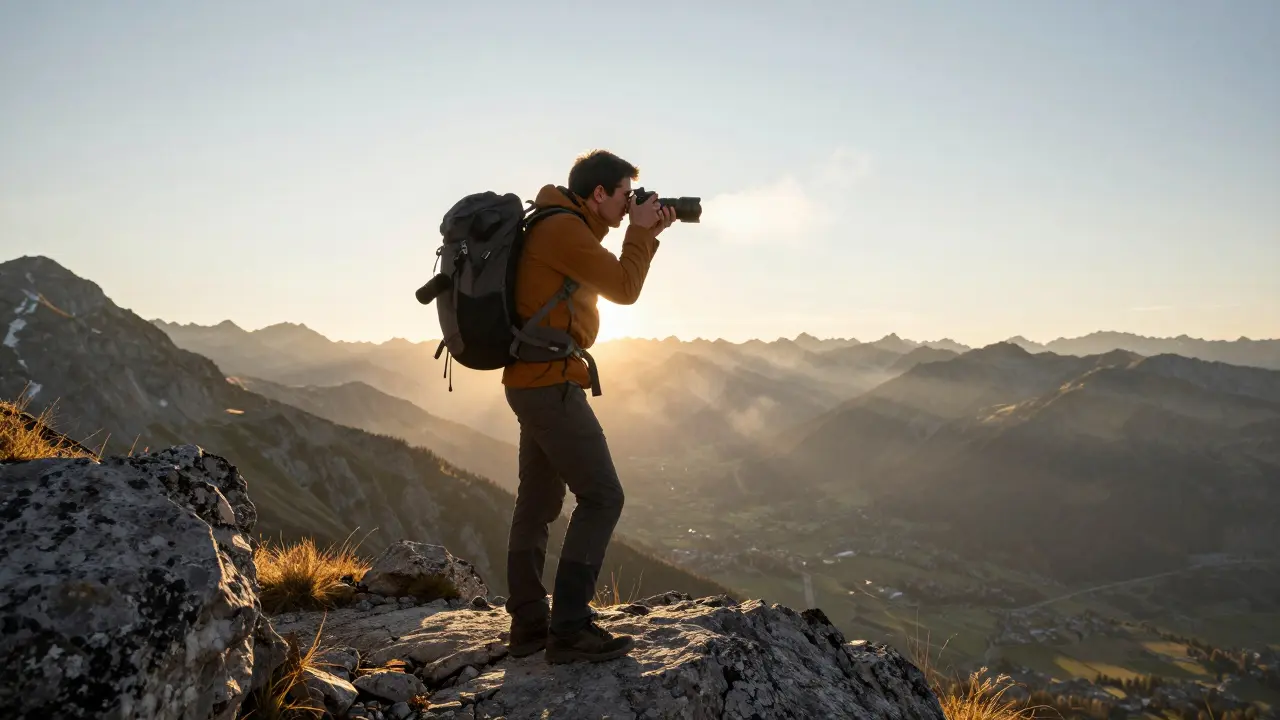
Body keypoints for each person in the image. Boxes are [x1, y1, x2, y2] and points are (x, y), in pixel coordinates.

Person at [502, 149, 674, 663]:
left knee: (538, 502)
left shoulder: (559, 224)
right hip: (550, 384)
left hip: (534, 379)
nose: (629, 204)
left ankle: (529, 625)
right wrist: (639, 233)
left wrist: (645, 233)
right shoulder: (563, 230)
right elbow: (624, 288)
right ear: (599, 193)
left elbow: (605, 275)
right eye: (625, 195)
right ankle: (570, 629)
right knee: (602, 497)